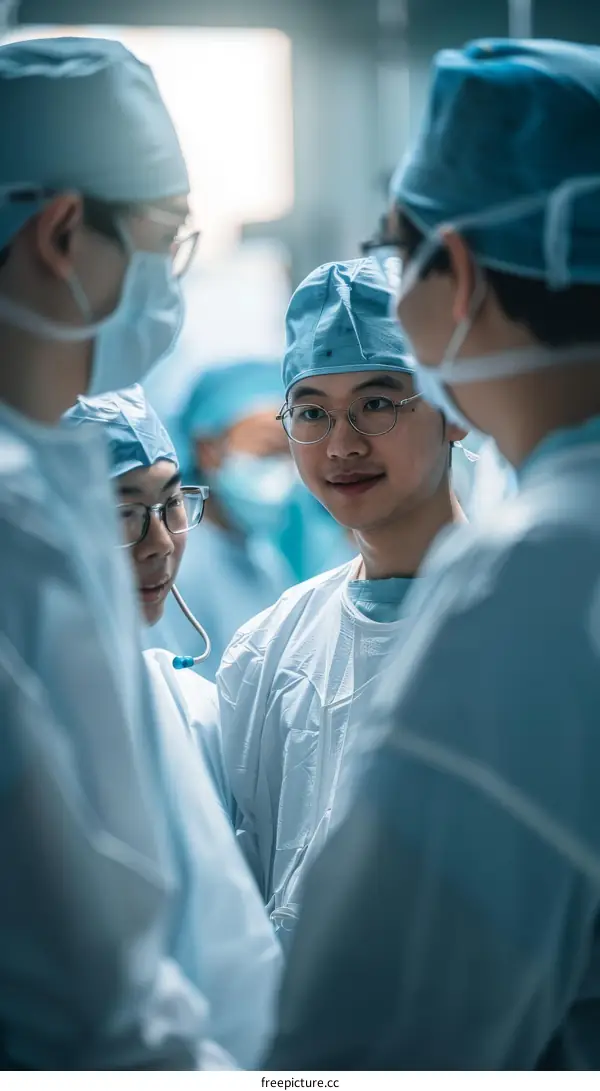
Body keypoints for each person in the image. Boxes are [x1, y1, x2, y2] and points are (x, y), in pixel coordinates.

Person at [264, 39, 600, 1070]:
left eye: (391, 251)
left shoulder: (533, 576)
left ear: (451, 273)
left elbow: (372, 1036)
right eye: (311, 412)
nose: (343, 438)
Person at [0, 36, 226, 1069]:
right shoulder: (22, 536)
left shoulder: (38, 502)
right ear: (59, 232)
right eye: (165, 239)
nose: (172, 278)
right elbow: (88, 987)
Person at [213, 257, 468, 949]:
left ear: (455, 410)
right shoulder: (268, 650)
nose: (342, 443)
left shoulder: (541, 627)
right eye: (311, 412)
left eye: (378, 403)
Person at [64, 386, 282, 1069]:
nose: (161, 543)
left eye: (171, 505)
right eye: (126, 512)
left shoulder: (191, 706)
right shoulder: (43, 718)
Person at [153, 358, 299, 678]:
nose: (287, 470)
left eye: (292, 453)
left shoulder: (263, 558)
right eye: (270, 451)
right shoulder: (175, 562)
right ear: (209, 451)